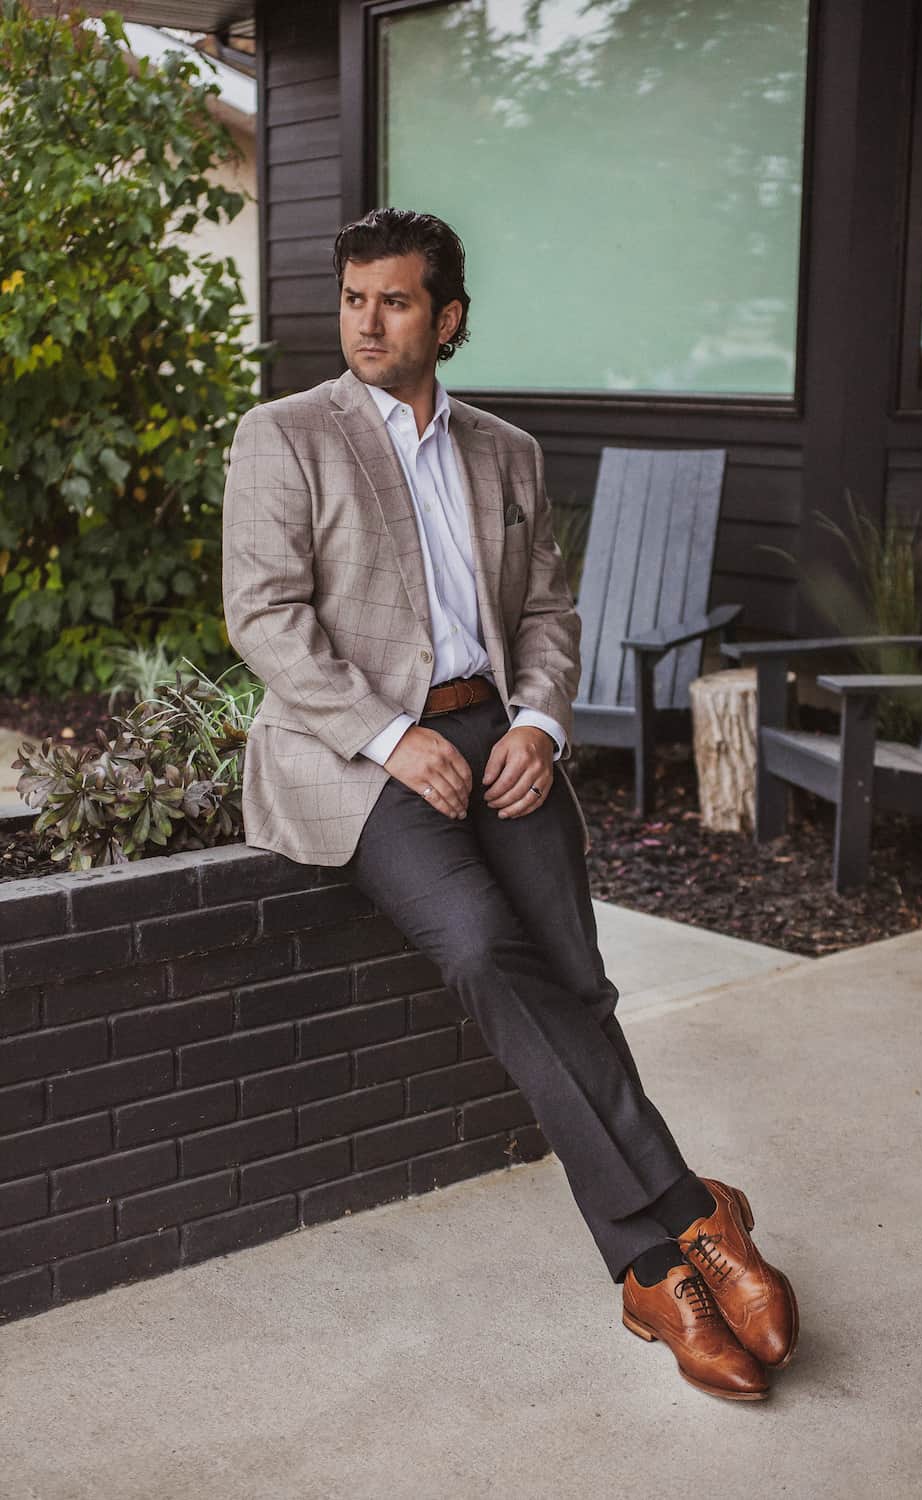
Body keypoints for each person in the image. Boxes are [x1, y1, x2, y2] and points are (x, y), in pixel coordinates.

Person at [221, 207, 798, 1402]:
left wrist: (537, 721)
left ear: (449, 317)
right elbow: (264, 618)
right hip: (358, 749)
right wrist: (391, 738)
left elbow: (544, 614)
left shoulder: (504, 450)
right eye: (351, 299)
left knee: (576, 981)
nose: (365, 323)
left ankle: (663, 1255)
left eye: (392, 301)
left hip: (496, 730)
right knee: (485, 949)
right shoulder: (286, 436)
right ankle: (675, 1236)